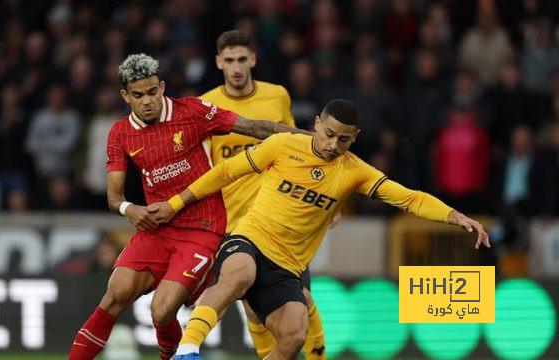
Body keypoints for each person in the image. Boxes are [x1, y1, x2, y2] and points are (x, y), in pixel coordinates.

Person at [150, 99, 491, 360]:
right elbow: (225, 173)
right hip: (249, 240)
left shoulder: (354, 171)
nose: (332, 145)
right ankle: (188, 347)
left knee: (294, 334)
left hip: (287, 267)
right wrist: (176, 204)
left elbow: (409, 198)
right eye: (328, 134)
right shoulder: (283, 145)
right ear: (315, 124)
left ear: (354, 138)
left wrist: (455, 215)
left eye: (343, 140)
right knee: (237, 276)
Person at [68, 53, 307, 360]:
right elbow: (114, 198)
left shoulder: (192, 112)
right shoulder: (120, 133)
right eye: (138, 95)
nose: (147, 101)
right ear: (125, 96)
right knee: (114, 296)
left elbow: (255, 128)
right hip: (156, 228)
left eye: (153, 92)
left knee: (162, 310)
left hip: (201, 227)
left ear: (162, 86)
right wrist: (132, 209)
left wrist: (312, 140)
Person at [199, 29, 327, 359]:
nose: (237, 67)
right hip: (236, 223)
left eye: (242, 59)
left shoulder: (277, 97)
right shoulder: (206, 106)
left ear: (253, 59)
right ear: (219, 63)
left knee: (303, 299)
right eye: (229, 60)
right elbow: (204, 166)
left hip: (283, 218)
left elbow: (299, 149)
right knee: (255, 312)